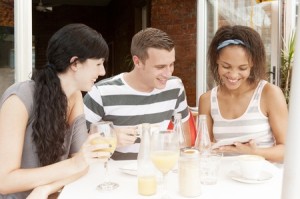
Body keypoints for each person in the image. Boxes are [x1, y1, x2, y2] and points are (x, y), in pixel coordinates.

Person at [0, 23, 111, 198]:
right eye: (98, 64)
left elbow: (82, 165)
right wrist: (75, 163)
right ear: (75, 63)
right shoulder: (19, 99)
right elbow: (4, 181)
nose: (103, 71)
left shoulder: (75, 96)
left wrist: (46, 188)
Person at [84, 27, 191, 160]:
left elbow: (185, 138)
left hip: (159, 170)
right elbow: (74, 144)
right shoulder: (101, 93)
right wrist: (109, 137)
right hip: (114, 175)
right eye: (160, 67)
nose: (168, 74)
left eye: (171, 64)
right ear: (137, 62)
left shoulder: (175, 87)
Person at [198, 25, 287, 163]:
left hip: (262, 179)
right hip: (223, 178)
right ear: (217, 60)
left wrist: (255, 153)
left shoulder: (269, 94)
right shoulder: (207, 100)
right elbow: (204, 149)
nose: (233, 75)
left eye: (242, 68)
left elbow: (288, 150)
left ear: (252, 63)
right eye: (226, 66)